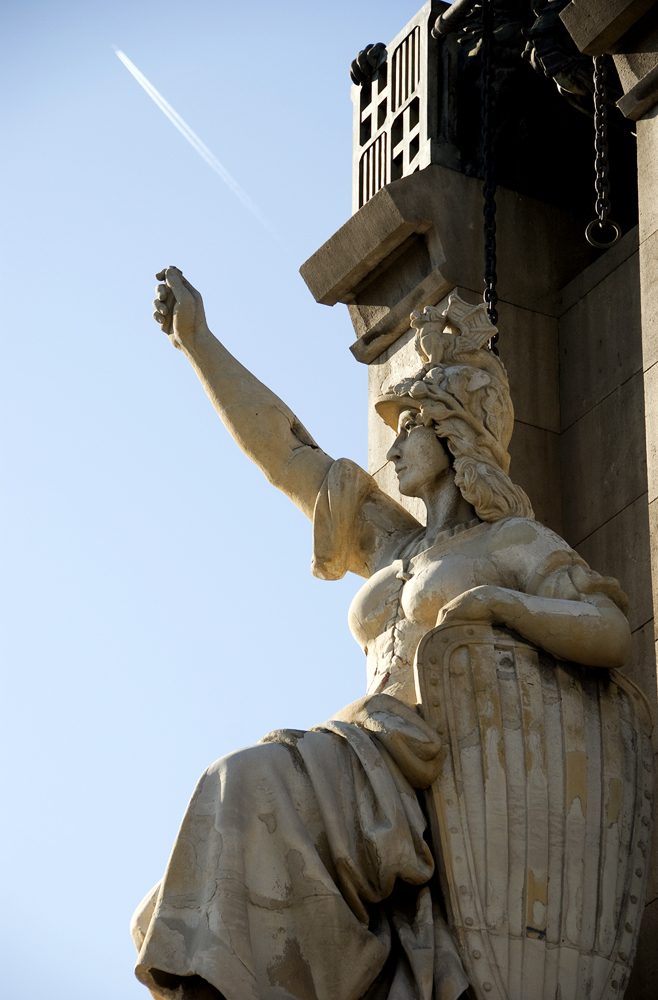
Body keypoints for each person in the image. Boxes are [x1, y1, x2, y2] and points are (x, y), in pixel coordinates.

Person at [132, 267, 631, 1000]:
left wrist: (508, 607)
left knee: (242, 782)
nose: (392, 451)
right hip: (362, 753)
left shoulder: (510, 542)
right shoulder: (392, 545)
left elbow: (609, 629)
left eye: (410, 431)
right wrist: (200, 345)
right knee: (233, 833)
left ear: (455, 437)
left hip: (428, 761)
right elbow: (290, 455)